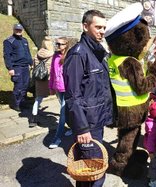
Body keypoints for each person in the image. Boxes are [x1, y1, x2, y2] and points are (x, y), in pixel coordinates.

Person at [63, 10, 113, 187]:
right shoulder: (78, 54)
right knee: (94, 173)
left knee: (90, 170)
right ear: (85, 27)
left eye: (104, 28)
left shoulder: (97, 52)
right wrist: (82, 128)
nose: (102, 31)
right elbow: (72, 96)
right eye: (98, 27)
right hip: (87, 125)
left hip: (96, 121)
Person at [48, 37, 72, 149]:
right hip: (58, 88)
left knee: (62, 113)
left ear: (66, 45)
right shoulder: (55, 56)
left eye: (60, 44)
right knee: (66, 111)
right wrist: (51, 87)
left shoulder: (69, 56)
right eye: (56, 43)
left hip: (67, 89)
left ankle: (57, 138)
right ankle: (73, 127)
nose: (58, 46)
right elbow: (52, 72)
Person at [3, 23, 33, 111]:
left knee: (25, 85)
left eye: (20, 30)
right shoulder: (9, 41)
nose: (18, 31)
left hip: (25, 67)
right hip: (17, 67)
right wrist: (10, 68)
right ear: (13, 30)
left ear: (22, 30)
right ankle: (16, 104)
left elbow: (28, 53)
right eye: (17, 29)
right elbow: (7, 56)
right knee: (18, 86)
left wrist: (31, 63)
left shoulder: (25, 40)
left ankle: (23, 102)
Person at [29, 36, 54, 127]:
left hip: (39, 80)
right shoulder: (53, 55)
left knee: (38, 99)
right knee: (60, 99)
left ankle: (33, 118)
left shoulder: (37, 54)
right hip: (50, 80)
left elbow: (34, 67)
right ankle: (64, 116)